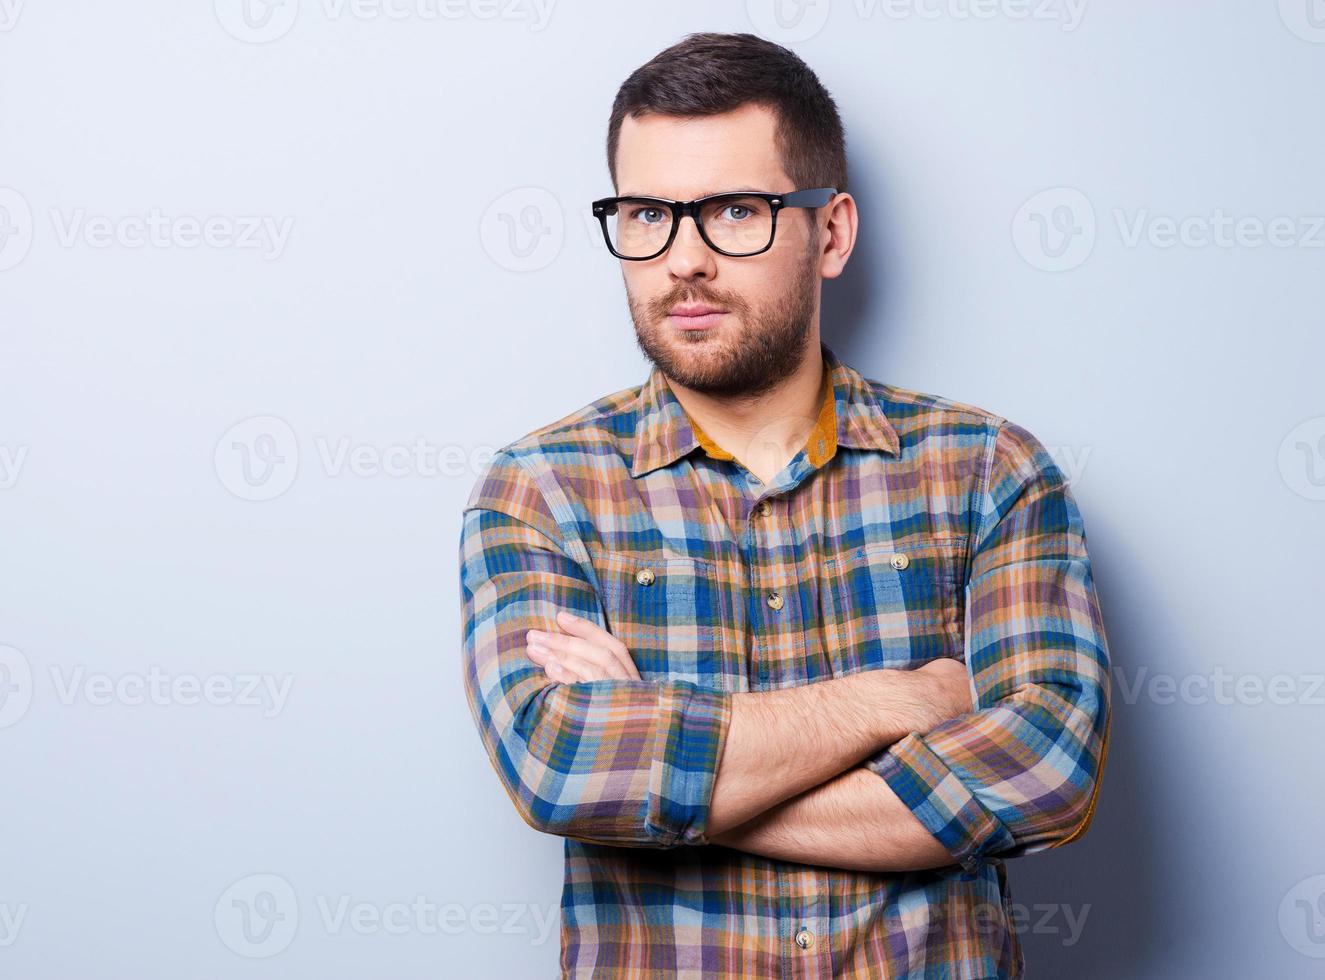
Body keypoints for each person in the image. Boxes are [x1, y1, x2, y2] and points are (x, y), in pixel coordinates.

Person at [458, 31, 1110, 979]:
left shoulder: (989, 472)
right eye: (645, 214)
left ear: (831, 231)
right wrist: (902, 700)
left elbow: (1045, 776)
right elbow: (560, 768)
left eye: (734, 211)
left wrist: (665, 779)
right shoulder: (540, 490)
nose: (683, 260)